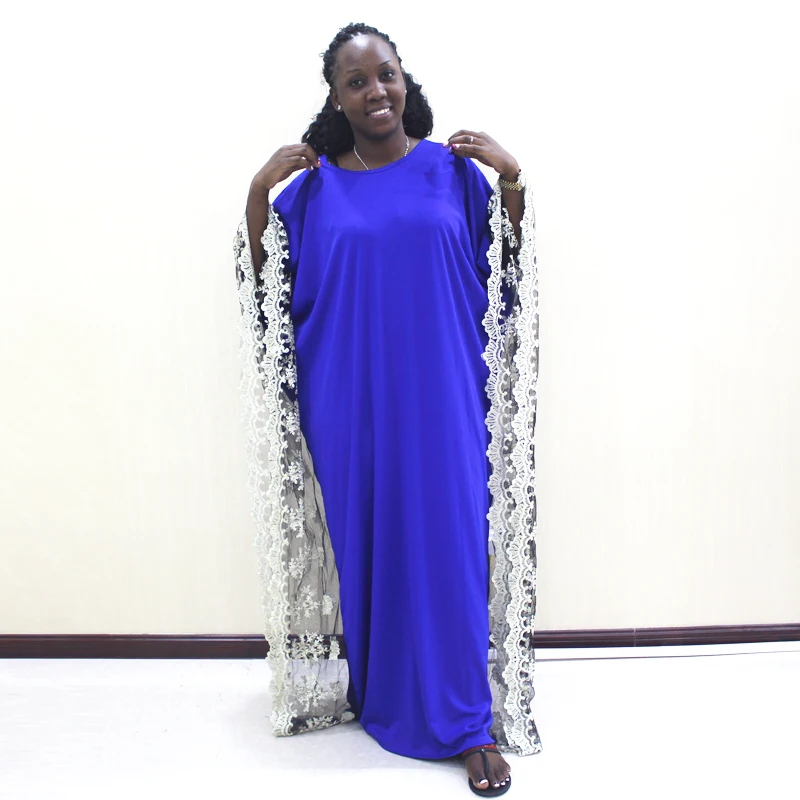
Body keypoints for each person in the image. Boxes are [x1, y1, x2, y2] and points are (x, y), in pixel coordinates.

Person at [233, 22, 541, 796]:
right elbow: (265, 288)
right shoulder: (314, 191)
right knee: (374, 545)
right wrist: (257, 194)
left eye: (386, 75)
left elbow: (506, 270)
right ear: (335, 98)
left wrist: (511, 179)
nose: (376, 91)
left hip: (442, 393)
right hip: (351, 400)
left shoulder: (453, 171)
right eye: (357, 81)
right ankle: (388, 696)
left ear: (406, 81)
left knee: (450, 543)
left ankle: (468, 723)